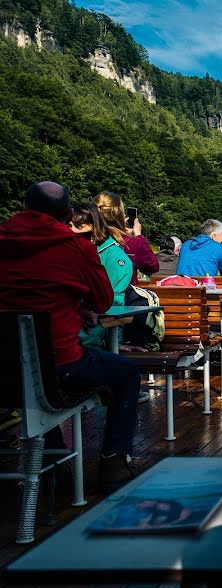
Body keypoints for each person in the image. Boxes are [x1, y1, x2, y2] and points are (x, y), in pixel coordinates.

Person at [0, 182, 140, 492]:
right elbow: (103, 302)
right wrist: (79, 304)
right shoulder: (76, 248)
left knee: (28, 381)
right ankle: (114, 464)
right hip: (59, 366)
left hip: (5, 372)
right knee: (127, 372)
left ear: (23, 208)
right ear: (66, 214)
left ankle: (54, 463)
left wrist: (73, 305)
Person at [69, 203, 133, 350]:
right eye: (69, 225)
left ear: (94, 228)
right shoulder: (70, 251)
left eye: (78, 227)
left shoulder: (115, 258)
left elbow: (115, 304)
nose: (71, 231)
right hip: (66, 334)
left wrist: (116, 342)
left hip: (89, 338)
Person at [95, 192, 159, 284]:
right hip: (124, 296)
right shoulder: (131, 243)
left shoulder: (86, 238)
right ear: (120, 214)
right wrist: (138, 236)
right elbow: (152, 266)